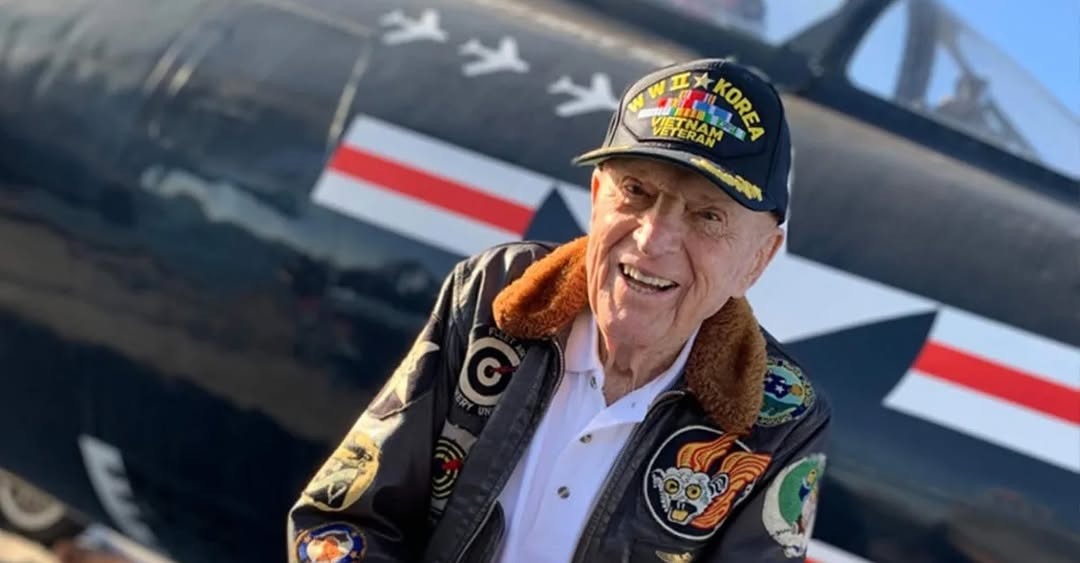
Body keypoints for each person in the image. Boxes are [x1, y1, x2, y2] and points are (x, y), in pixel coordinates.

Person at [287, 57, 831, 563]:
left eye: (707, 216)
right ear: (597, 197)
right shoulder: (492, 294)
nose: (653, 238)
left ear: (758, 259)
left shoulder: (783, 420)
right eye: (636, 191)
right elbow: (343, 519)